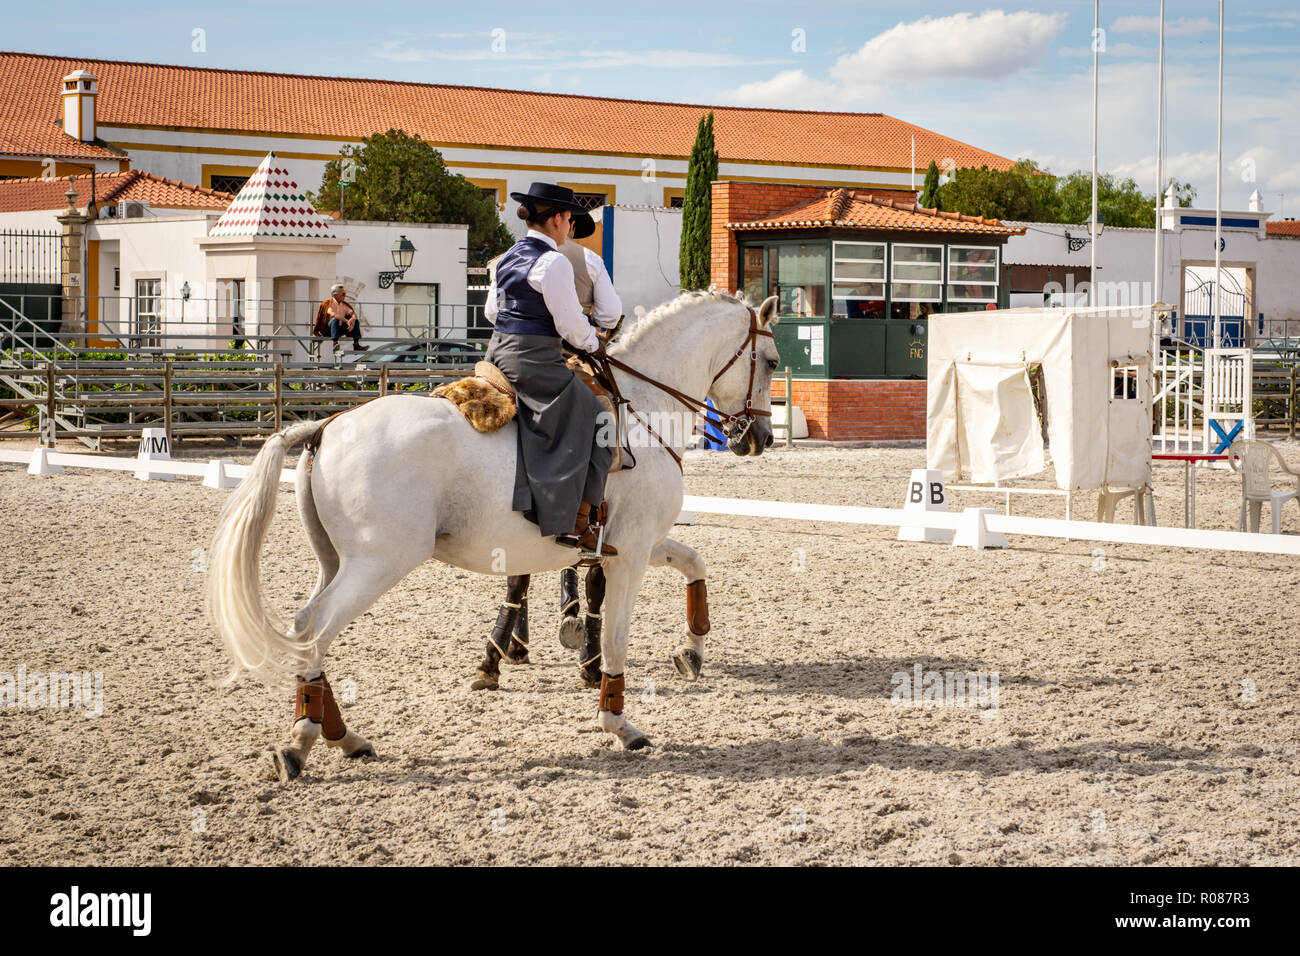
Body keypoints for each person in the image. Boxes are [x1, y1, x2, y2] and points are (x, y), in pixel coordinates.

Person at [483, 182, 619, 555]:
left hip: (497, 354)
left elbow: (491, 313)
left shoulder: (507, 257)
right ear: (559, 219)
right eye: (570, 219)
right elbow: (570, 326)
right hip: (535, 360)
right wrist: (595, 343)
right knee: (601, 420)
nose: (570, 226)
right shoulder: (553, 261)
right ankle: (580, 522)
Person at [313, 284, 366, 352]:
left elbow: (353, 314)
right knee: (335, 320)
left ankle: (356, 344)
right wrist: (347, 321)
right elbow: (334, 314)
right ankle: (335, 344)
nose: (344, 296)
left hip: (340, 329)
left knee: (356, 321)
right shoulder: (328, 304)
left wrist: (352, 319)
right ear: (335, 295)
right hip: (329, 330)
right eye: (343, 294)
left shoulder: (344, 304)